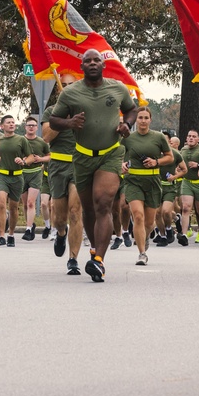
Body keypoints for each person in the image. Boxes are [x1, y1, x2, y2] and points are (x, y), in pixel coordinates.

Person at [49, 49, 139, 283]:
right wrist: (70, 122)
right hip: (82, 157)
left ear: (103, 65)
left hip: (110, 153)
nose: (91, 63)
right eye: (87, 60)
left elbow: (131, 109)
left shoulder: (117, 87)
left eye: (96, 60)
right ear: (81, 67)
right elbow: (53, 120)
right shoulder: (70, 93)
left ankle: (98, 260)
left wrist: (127, 124)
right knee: (88, 210)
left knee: (103, 203)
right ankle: (94, 252)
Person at [42, 72, 84, 274]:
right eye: (63, 84)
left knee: (76, 211)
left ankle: (73, 259)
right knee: (59, 216)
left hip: (79, 165)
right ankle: (60, 232)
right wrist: (64, 120)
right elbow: (46, 137)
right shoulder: (51, 111)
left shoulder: (85, 111)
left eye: (70, 84)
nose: (66, 87)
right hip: (58, 165)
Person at [121, 107, 173, 265]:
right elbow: (119, 156)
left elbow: (169, 157)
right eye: (140, 118)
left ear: (150, 120)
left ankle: (146, 236)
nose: (143, 121)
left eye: (146, 118)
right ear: (136, 120)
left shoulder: (158, 137)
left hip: (152, 182)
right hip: (133, 181)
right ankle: (142, 253)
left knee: (149, 223)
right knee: (137, 215)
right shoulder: (128, 138)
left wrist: (156, 162)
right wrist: (122, 164)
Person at [0, 115, 30, 248]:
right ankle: (1, 235)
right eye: (8, 122)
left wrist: (24, 161)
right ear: (2, 126)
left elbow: (30, 156)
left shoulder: (21, 140)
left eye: (13, 122)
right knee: (1, 205)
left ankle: (11, 234)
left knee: (14, 207)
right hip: (1, 176)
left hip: (17, 176)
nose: (11, 124)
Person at [20, 116, 51, 240]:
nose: (31, 127)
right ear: (25, 127)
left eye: (33, 125)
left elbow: (49, 156)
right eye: (29, 125)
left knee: (30, 202)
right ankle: (31, 224)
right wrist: (21, 160)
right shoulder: (20, 140)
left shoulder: (41, 142)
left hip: (36, 172)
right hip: (22, 173)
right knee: (25, 204)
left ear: (37, 127)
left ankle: (28, 231)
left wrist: (40, 159)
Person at [154, 135, 186, 247]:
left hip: (169, 187)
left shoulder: (175, 154)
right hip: (156, 187)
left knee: (166, 211)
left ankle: (168, 229)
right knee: (157, 213)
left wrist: (174, 177)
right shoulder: (155, 153)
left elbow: (184, 170)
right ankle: (163, 236)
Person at [178, 129, 199, 246]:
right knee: (186, 208)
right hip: (187, 182)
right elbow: (179, 162)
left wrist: (198, 165)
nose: (191, 138)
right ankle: (184, 235)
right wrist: (179, 168)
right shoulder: (183, 150)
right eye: (189, 136)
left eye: (194, 136)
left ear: (198, 139)